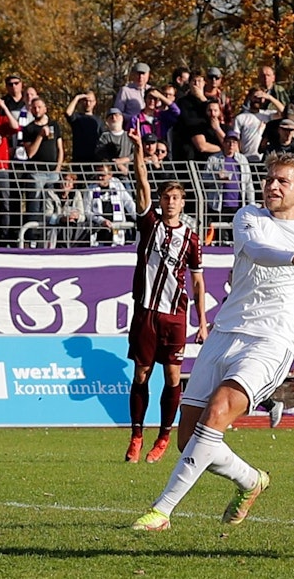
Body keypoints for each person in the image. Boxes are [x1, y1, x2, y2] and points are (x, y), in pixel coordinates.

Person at [130, 153, 294, 532]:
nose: (273, 186)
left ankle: (161, 511)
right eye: (270, 179)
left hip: (271, 340)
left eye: (283, 181)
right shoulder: (249, 216)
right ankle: (250, 480)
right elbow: (257, 252)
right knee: (188, 440)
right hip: (224, 334)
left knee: (217, 413)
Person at [122, 145, 209, 464]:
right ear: (160, 201)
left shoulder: (191, 239)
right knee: (141, 373)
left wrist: (201, 322)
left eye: (176, 198)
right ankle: (136, 436)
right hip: (146, 312)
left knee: (173, 377)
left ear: (183, 203)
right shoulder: (150, 224)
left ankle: (162, 438)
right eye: (166, 197)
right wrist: (138, 150)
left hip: (175, 316)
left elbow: (198, 281)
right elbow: (141, 179)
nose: (171, 202)